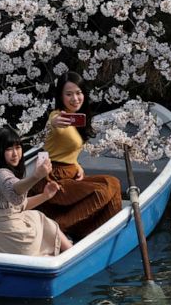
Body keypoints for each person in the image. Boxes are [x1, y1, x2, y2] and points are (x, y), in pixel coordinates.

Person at [32, 71, 122, 239]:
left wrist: (76, 164)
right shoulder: (57, 116)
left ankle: (103, 231)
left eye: (78, 93)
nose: (75, 98)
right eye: (69, 94)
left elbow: (66, 148)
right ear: (61, 96)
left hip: (70, 173)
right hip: (54, 178)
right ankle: (59, 226)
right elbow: (52, 125)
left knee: (114, 183)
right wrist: (51, 123)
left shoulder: (77, 118)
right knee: (103, 190)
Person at [0, 126, 72, 255]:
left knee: (35, 216)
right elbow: (14, 188)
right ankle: (71, 252)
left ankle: (68, 250)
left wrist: (45, 196)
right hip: (8, 241)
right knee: (40, 219)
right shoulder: (1, 175)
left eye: (18, 147)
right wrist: (36, 176)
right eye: (9, 149)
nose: (15, 154)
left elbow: (18, 206)